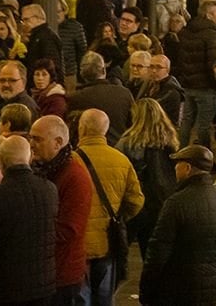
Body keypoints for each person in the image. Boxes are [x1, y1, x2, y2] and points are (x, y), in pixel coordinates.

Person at [0, 135, 59, 306]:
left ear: (1, 161)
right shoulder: (50, 190)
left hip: (5, 289)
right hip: (43, 285)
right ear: (29, 158)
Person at [139, 143, 216, 306]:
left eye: (178, 164)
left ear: (187, 168)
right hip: (211, 289)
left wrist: (146, 289)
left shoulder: (177, 202)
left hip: (179, 289)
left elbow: (158, 250)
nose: (175, 168)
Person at [75, 109, 145, 306]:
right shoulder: (121, 160)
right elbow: (136, 201)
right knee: (105, 298)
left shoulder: (72, 161)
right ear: (105, 130)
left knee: (81, 298)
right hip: (108, 242)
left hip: (80, 244)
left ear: (81, 128)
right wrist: (119, 216)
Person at [29, 114, 95, 306]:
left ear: (58, 143)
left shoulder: (75, 176)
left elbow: (69, 229)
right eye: (31, 138)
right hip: (47, 271)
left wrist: (28, 232)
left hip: (63, 274)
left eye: (38, 139)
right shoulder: (45, 169)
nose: (31, 144)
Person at [118, 97, 181, 258]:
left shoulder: (128, 143)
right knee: (154, 252)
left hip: (138, 201)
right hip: (164, 201)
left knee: (122, 249)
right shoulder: (171, 141)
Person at [176, 0, 216, 147]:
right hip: (206, 87)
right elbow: (213, 62)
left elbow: (181, 59)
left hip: (188, 85)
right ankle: (205, 154)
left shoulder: (185, 32)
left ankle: (181, 151)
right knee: (203, 125)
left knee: (186, 122)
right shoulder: (212, 35)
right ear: (208, 15)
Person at [67, 51, 134, 144]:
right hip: (120, 147)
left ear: (81, 73)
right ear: (103, 70)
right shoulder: (124, 93)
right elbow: (133, 123)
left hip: (88, 148)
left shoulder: (75, 98)